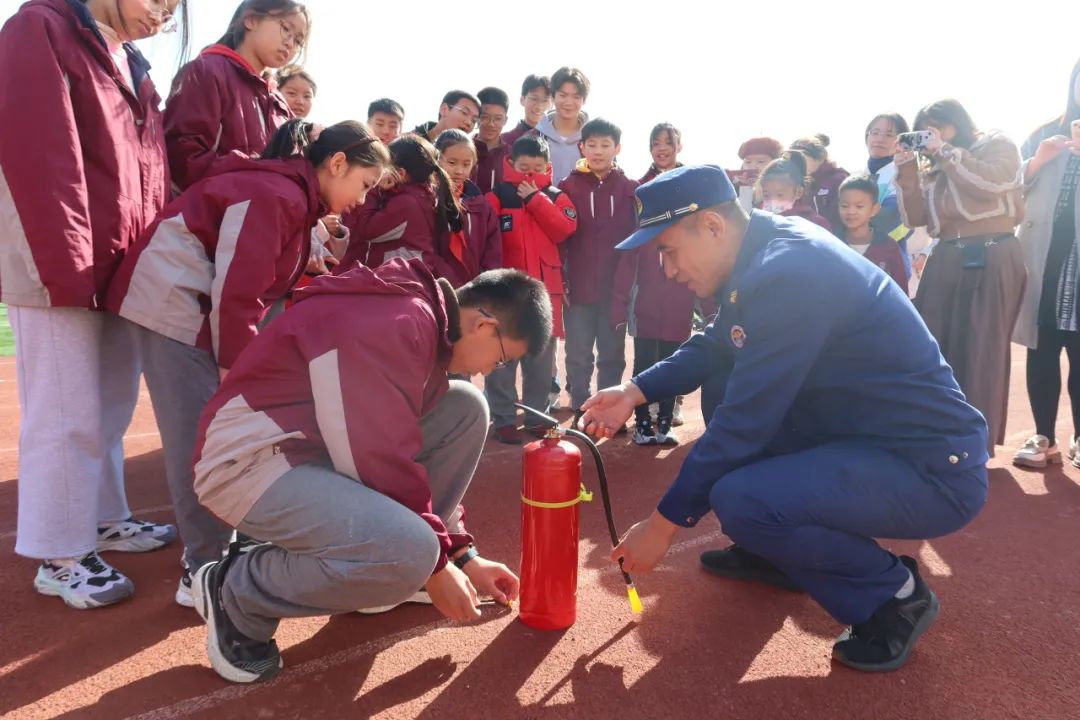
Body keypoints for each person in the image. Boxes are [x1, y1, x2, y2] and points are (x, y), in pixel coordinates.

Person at [580, 165, 989, 673]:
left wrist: (662, 526)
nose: (667, 269)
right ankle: (774, 552)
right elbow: (715, 343)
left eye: (667, 250)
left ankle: (894, 597)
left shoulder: (788, 273)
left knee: (740, 498)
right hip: (865, 439)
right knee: (726, 382)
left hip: (930, 469)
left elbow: (744, 426)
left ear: (711, 226)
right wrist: (633, 390)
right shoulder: (765, 248)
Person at [189, 261, 551, 683]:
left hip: (309, 448)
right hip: (247, 464)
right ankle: (235, 592)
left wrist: (460, 555)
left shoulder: (422, 324)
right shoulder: (397, 324)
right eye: (504, 360)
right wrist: (433, 564)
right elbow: (375, 456)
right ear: (485, 327)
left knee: (466, 407)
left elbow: (393, 448)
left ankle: (400, 563)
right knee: (411, 553)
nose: (493, 370)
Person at [105, 120, 387, 603]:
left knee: (211, 431)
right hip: (172, 304)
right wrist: (235, 370)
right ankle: (203, 568)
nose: (361, 200)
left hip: (187, 302)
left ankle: (214, 550)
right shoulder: (277, 194)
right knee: (200, 437)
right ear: (337, 164)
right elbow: (238, 291)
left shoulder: (293, 196)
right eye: (364, 185)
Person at [0, 0, 187, 610]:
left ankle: (104, 517)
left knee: (108, 404)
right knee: (65, 410)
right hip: (64, 264)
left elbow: (151, 172)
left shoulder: (131, 61)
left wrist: (144, 260)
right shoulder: (42, 27)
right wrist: (70, 266)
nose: (165, 10)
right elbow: (42, 157)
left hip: (116, 263)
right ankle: (58, 553)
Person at [895, 98, 1026, 454]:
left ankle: (974, 444)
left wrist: (946, 151)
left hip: (992, 250)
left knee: (981, 347)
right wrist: (907, 170)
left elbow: (995, 183)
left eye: (937, 126)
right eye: (924, 129)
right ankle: (935, 435)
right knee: (932, 344)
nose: (931, 135)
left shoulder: (996, 144)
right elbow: (914, 219)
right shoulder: (934, 164)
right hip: (947, 255)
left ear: (958, 122)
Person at [485, 135, 578, 443]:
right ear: (510, 164)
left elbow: (564, 229)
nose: (529, 174)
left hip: (544, 294)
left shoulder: (555, 196)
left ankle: (537, 417)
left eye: (537, 168)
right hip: (506, 295)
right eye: (523, 167)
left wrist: (535, 199)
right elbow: (484, 234)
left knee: (540, 359)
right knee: (501, 359)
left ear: (547, 167)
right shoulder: (497, 196)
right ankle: (503, 419)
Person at [164, 0, 307, 192]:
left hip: (261, 219)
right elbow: (184, 158)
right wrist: (257, 176)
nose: (290, 43)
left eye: (298, 40)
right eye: (285, 28)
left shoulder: (279, 103)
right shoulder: (207, 71)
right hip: (208, 216)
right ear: (251, 20)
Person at [558, 118, 639, 426]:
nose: (598, 151)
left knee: (611, 353)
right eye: (591, 144)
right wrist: (562, 279)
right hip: (578, 287)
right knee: (578, 352)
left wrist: (629, 285)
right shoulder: (568, 186)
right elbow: (561, 238)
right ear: (582, 147)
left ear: (617, 148)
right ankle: (579, 402)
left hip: (615, 289)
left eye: (605, 145)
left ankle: (607, 405)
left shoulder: (631, 189)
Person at [1012, 106, 1080, 468]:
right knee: (1042, 348)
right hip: (1044, 256)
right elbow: (1009, 187)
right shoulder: (1044, 133)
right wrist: (1039, 161)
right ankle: (1043, 437)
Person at [339, 134, 463, 283]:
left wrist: (373, 189)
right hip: (403, 279)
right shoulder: (420, 195)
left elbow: (366, 229)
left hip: (399, 282)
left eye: (386, 167)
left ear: (401, 174)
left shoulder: (407, 203)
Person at [435, 130, 502, 286]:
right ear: (436, 159)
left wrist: (486, 285)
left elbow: (493, 253)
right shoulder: (427, 199)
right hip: (435, 285)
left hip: (473, 289)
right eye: (451, 163)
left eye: (466, 164)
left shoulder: (481, 205)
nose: (459, 170)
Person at [837, 175, 908, 288]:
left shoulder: (888, 247)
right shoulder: (832, 244)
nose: (851, 211)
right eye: (844, 206)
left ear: (874, 209)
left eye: (859, 206)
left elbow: (900, 290)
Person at [537, 67, 590, 185]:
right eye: (563, 95)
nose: (569, 102)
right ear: (552, 96)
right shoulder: (535, 137)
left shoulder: (595, 139)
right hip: (543, 202)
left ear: (584, 100)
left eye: (576, 97)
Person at [757, 151, 832, 232]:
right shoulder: (759, 221)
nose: (772, 201)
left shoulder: (815, 223)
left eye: (780, 195)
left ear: (798, 192)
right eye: (766, 195)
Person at [790, 134, 849, 231]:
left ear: (820, 158)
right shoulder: (796, 182)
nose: (798, 162)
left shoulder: (839, 180)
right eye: (795, 158)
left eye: (803, 157)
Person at [472, 86, 511, 193]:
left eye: (498, 118)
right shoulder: (464, 149)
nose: (491, 124)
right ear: (476, 117)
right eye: (485, 117)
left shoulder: (512, 156)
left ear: (505, 120)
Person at [731, 136, 783, 208]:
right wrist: (745, 187)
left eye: (760, 162)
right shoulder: (732, 189)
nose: (753, 166)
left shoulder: (786, 188)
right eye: (748, 162)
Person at [412, 89, 481, 143]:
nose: (468, 123)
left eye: (474, 120)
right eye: (464, 112)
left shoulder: (465, 154)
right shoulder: (408, 143)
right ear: (444, 109)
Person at [503, 74, 552, 146]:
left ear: (552, 104)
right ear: (522, 100)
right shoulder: (505, 141)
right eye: (534, 99)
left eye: (545, 100)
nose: (539, 106)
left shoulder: (558, 140)